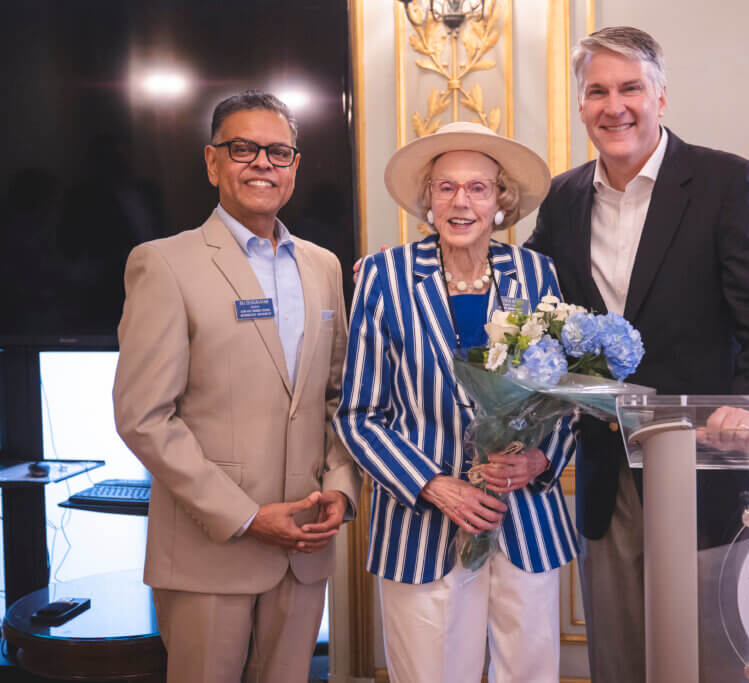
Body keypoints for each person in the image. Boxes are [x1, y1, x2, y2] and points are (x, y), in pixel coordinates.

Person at [524, 27, 749, 681]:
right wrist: (421, 269)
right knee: (619, 659)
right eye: (597, 91)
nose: (614, 106)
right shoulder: (564, 198)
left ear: (661, 97)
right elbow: (524, 293)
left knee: (713, 659)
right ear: (581, 103)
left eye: (630, 88)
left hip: (708, 460)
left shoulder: (724, 181)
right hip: (607, 469)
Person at [113, 90, 361, 683]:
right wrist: (246, 517)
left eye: (278, 152)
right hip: (210, 551)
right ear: (212, 161)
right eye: (243, 149)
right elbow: (144, 417)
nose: (262, 164)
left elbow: (337, 397)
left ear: (295, 166)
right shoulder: (164, 263)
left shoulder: (323, 265)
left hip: (304, 546)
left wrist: (341, 488)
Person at [335, 121, 577, 683]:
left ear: (500, 201)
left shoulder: (537, 274)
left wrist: (541, 460)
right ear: (428, 199)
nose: (460, 201)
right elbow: (358, 416)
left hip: (525, 522)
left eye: (477, 188)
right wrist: (435, 486)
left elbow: (566, 396)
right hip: (422, 529)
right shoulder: (384, 276)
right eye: (446, 187)